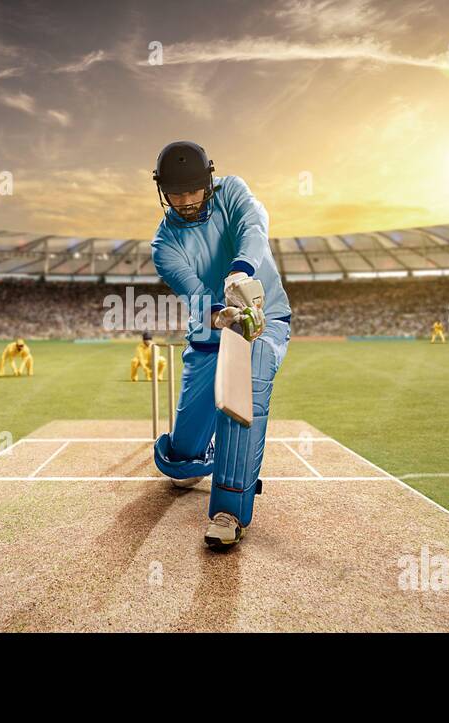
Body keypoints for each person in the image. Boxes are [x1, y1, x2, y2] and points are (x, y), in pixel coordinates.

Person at [148, 140, 291, 550]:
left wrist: (239, 274)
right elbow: (193, 292)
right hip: (211, 330)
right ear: (162, 192)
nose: (187, 201)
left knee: (245, 397)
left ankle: (229, 510)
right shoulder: (164, 246)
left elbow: (253, 228)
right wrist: (219, 313)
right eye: (176, 194)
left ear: (209, 181)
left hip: (263, 321)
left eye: (194, 190)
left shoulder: (233, 192)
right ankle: (192, 457)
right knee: (181, 463)